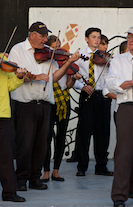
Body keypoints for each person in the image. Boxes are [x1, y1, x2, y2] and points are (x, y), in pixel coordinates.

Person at [9, 21, 80, 191]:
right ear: (32, 34)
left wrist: (69, 63)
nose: (44, 39)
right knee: (25, 144)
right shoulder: (18, 50)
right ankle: (21, 180)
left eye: (46, 36)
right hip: (25, 104)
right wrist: (35, 77)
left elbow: (54, 77)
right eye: (42, 36)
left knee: (41, 144)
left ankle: (35, 178)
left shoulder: (48, 53)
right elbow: (14, 76)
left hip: (46, 104)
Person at [72, 27, 113, 177]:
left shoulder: (106, 57)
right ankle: (81, 166)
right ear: (86, 39)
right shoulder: (80, 55)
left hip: (103, 97)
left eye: (98, 37)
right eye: (94, 37)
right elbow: (74, 77)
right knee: (85, 132)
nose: (96, 40)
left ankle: (101, 166)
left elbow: (110, 77)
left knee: (103, 132)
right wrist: (83, 86)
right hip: (87, 97)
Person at [41, 35, 81, 182]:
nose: (59, 52)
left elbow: (68, 86)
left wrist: (73, 78)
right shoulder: (48, 63)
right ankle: (45, 171)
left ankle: (56, 171)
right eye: (55, 48)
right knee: (47, 137)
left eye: (59, 47)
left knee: (61, 137)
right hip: (51, 102)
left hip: (64, 102)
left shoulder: (65, 64)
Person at [106, 24, 133, 207]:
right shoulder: (118, 60)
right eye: (129, 37)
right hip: (127, 107)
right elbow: (110, 83)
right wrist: (130, 83)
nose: (131, 40)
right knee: (124, 153)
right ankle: (119, 196)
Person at [0, 53, 26, 202]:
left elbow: (10, 86)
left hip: (2, 114)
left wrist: (19, 77)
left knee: (5, 156)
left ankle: (9, 192)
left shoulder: (3, 62)